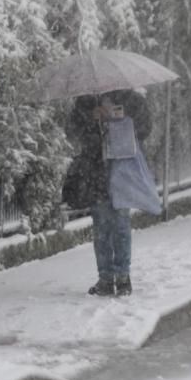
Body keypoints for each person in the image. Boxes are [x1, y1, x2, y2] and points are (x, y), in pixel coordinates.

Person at [64, 89, 152, 296]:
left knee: (121, 224)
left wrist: (121, 120)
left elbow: (145, 128)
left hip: (122, 170)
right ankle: (105, 278)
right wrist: (91, 119)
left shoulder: (131, 99)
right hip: (96, 172)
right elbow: (73, 130)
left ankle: (122, 277)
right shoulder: (85, 101)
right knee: (101, 227)